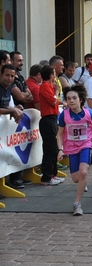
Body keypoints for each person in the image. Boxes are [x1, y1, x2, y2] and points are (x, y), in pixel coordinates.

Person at [56, 85, 92, 216]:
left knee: (83, 172)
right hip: (71, 147)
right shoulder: (63, 115)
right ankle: (82, 182)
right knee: (76, 178)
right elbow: (59, 134)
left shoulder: (88, 113)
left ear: (80, 99)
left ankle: (77, 204)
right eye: (68, 98)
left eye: (74, 98)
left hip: (86, 144)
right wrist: (60, 149)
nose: (71, 101)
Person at [8, 52, 33, 188]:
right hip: (12, 118)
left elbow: (29, 95)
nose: (22, 63)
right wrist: (24, 96)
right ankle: (14, 178)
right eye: (19, 60)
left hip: (21, 115)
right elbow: (23, 97)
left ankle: (19, 175)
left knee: (19, 146)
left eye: (22, 60)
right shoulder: (9, 80)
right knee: (12, 148)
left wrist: (24, 96)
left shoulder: (21, 77)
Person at [39, 65, 65, 186]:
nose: (55, 76)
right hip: (47, 119)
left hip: (52, 119)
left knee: (54, 148)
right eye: (54, 73)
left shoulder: (48, 86)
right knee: (50, 149)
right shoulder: (44, 86)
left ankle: (53, 174)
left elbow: (54, 100)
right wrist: (57, 92)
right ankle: (47, 177)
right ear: (51, 75)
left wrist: (61, 101)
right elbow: (52, 100)